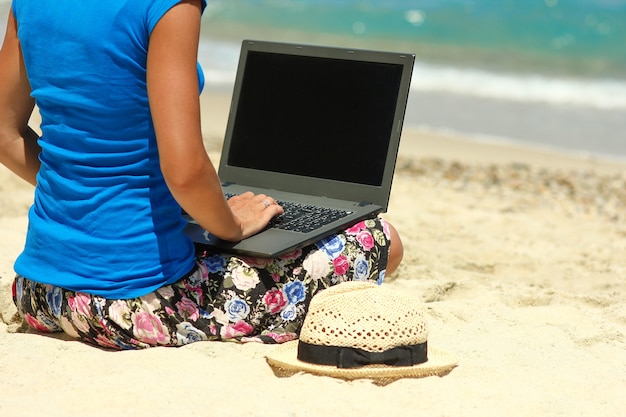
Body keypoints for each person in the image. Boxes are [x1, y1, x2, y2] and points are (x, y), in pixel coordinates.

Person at [0, 0, 403, 349]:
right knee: (382, 241)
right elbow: (186, 173)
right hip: (129, 304)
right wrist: (231, 224)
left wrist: (89, 190)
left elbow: (4, 134)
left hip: (40, 293)